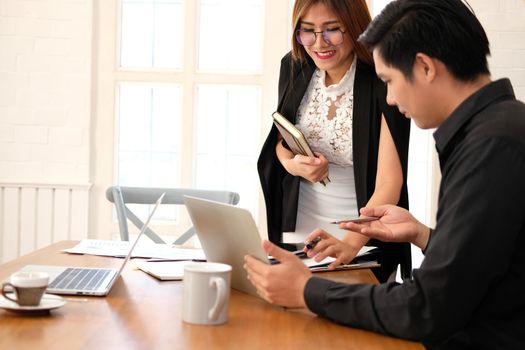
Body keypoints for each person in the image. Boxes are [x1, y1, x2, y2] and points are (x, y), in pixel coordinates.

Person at [245, 0, 525, 348]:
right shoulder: (500, 130)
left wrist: (308, 290)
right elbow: (489, 264)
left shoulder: (491, 147)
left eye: (389, 81)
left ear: (424, 67)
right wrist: (422, 234)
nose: (389, 99)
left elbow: (426, 307)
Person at [257, 0, 411, 282]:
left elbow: (390, 183)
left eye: (332, 30)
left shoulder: (383, 79)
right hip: (298, 232)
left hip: (363, 240)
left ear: (355, 27)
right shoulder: (294, 66)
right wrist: (293, 165)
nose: (319, 43)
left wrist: (349, 244)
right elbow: (280, 143)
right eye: (308, 31)